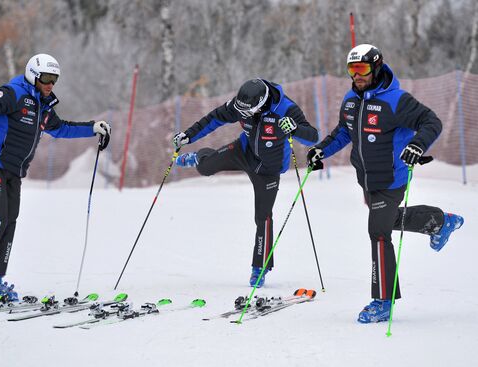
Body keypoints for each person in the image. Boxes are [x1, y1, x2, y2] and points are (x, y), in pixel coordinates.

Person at [307, 44, 464, 323]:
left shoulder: (396, 100)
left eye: (362, 69)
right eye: (352, 69)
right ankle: (439, 221)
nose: (357, 75)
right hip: (367, 178)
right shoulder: (351, 100)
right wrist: (321, 150)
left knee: (378, 232)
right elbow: (344, 132)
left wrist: (417, 144)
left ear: (376, 67)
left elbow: (432, 122)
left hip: (393, 177)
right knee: (387, 220)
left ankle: (383, 301)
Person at [0, 53, 111, 301]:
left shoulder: (43, 106)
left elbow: (61, 129)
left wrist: (92, 127)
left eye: (54, 80)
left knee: (9, 221)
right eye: (46, 78)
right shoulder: (14, 93)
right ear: (33, 75)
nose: (50, 84)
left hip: (13, 172)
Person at [173, 78, 318, 288]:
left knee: (263, 217)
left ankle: (260, 267)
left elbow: (313, 137)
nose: (243, 115)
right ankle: (199, 157)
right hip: (244, 151)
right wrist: (189, 135)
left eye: (247, 113)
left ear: (261, 104)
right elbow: (215, 118)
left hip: (268, 170)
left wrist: (295, 129)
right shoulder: (242, 105)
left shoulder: (285, 109)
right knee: (205, 168)